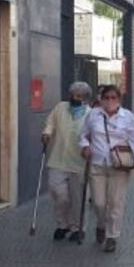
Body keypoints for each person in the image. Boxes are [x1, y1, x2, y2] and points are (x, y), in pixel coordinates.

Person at [78, 86, 134, 253]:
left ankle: (112, 236)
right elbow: (82, 135)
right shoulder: (93, 115)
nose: (109, 100)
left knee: (115, 202)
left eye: (113, 97)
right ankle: (101, 225)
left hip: (119, 165)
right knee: (99, 203)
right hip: (97, 165)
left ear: (119, 99)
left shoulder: (127, 117)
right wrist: (85, 146)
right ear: (101, 99)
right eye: (106, 97)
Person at [42, 82, 92, 241]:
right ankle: (62, 224)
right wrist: (47, 133)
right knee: (59, 194)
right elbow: (50, 123)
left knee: (78, 198)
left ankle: (78, 227)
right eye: (73, 95)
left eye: (79, 96)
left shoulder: (90, 114)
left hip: (78, 162)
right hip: (58, 159)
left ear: (85, 98)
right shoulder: (60, 108)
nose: (75, 98)